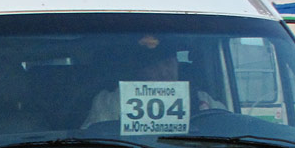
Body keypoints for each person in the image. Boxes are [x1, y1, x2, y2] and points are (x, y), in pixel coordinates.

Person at [82, 35, 223, 128]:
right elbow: (91, 142)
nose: (163, 72)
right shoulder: (111, 100)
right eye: (154, 67)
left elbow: (226, 125)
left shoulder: (201, 99)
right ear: (139, 71)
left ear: (177, 64)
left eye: (168, 63)